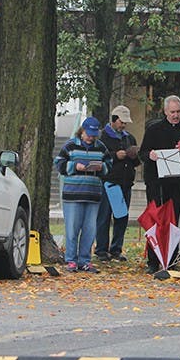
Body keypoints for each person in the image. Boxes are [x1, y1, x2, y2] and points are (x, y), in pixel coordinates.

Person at [139, 95, 180, 273]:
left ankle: (170, 259)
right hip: (156, 184)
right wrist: (151, 155)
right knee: (156, 221)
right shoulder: (154, 129)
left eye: (178, 112)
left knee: (173, 222)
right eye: (172, 112)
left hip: (176, 185)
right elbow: (143, 153)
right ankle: (153, 261)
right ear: (165, 111)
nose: (175, 115)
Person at [54, 117, 111, 273]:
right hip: (73, 194)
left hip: (93, 195)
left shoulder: (101, 148)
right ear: (82, 130)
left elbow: (109, 164)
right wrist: (74, 166)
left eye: (94, 134)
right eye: (89, 134)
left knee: (90, 229)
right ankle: (71, 260)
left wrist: (102, 168)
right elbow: (59, 163)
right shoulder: (70, 145)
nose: (91, 137)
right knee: (72, 228)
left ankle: (85, 260)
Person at [95, 105, 140, 262]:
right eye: (121, 122)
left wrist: (134, 155)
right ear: (114, 120)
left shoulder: (130, 138)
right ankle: (101, 249)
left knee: (122, 217)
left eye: (125, 123)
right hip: (109, 183)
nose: (124, 125)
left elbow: (137, 162)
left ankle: (116, 249)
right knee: (104, 217)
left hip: (126, 183)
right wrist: (115, 156)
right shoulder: (102, 137)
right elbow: (98, 157)